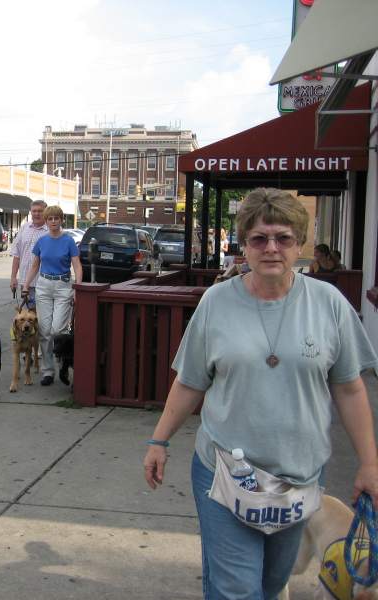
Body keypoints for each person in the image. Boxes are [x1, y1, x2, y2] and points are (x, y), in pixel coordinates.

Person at [143, 188, 378, 600]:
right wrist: (158, 441)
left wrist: (370, 464)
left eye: (283, 238)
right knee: (238, 589)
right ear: (244, 245)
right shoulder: (216, 303)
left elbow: (350, 388)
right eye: (259, 238)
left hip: (299, 476)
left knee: (271, 584)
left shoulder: (329, 304)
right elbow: (190, 382)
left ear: (300, 244)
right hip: (225, 472)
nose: (271, 248)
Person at [22, 205, 82, 386]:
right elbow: (34, 266)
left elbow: (77, 266)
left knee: (57, 329)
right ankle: (48, 371)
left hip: (64, 285)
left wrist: (77, 288)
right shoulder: (42, 241)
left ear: (61, 220)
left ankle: (62, 362)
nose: (53, 221)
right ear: (46, 221)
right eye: (50, 219)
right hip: (44, 286)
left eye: (56, 218)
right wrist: (25, 285)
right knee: (45, 331)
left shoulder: (69, 241)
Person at [10, 200, 47, 303]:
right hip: (25, 282)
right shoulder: (24, 228)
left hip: (44, 283)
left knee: (43, 317)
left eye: (40, 211)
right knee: (28, 316)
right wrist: (13, 277)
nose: (36, 214)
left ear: (46, 212)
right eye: (34, 211)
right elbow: (17, 255)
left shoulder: (50, 230)